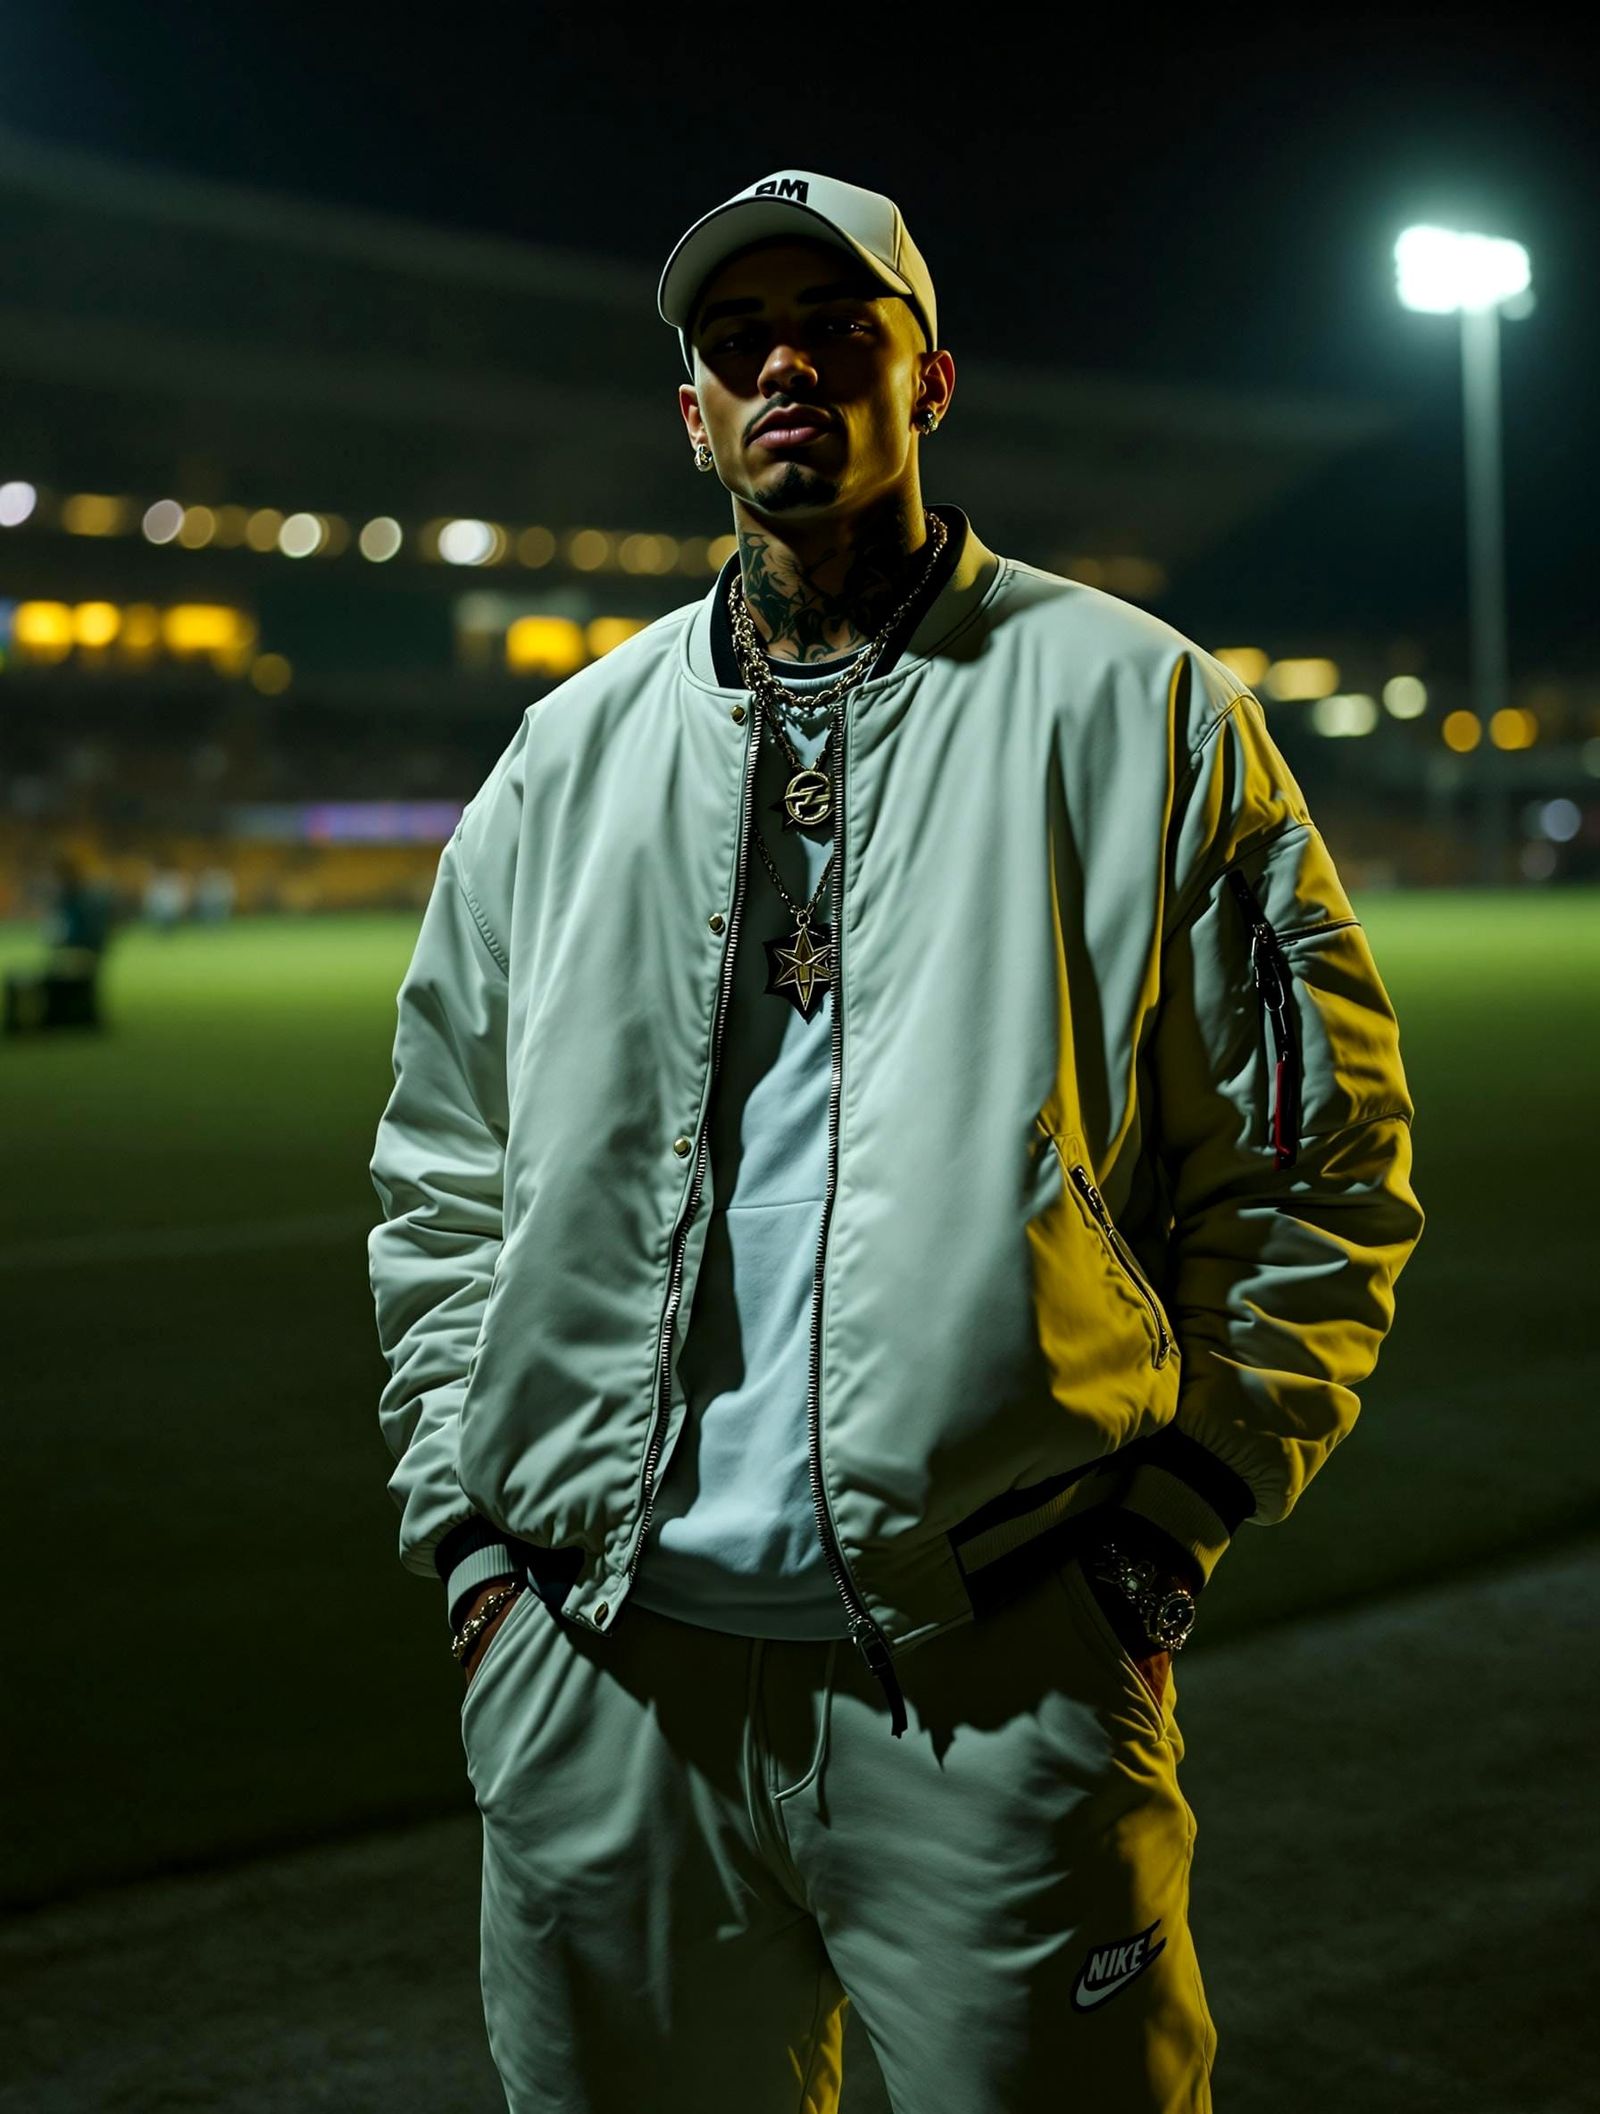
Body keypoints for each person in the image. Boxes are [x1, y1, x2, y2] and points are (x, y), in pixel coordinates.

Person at [367, 169, 1425, 2113]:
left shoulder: (1139, 709)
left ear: (925, 379)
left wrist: (1168, 1525)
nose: (782, 361)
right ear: (691, 413)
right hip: (600, 1669)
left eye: (833, 327)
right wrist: (472, 1551)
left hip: (996, 1657)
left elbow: (1315, 1156)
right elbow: (440, 1167)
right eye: (733, 339)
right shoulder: (567, 753)